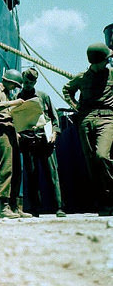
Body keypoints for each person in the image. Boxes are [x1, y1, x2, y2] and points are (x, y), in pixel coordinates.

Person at [62, 42, 113, 216]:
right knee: (91, 162)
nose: (109, 61)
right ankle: (103, 203)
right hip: (86, 119)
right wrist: (75, 106)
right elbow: (67, 89)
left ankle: (110, 196)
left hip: (108, 118)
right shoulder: (82, 77)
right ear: (98, 61)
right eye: (107, 59)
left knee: (102, 156)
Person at [18, 67, 66, 217]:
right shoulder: (18, 98)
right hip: (28, 142)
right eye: (25, 82)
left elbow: (54, 118)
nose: (27, 85)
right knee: (32, 175)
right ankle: (34, 209)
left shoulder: (44, 96)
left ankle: (59, 207)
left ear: (35, 82)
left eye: (30, 83)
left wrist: (54, 133)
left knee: (52, 175)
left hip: (45, 142)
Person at [0, 69, 32, 218]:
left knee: (16, 169)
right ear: (10, 81)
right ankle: (3, 206)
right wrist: (14, 103)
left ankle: (14, 205)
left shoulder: (8, 93)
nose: (15, 88)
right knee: (5, 168)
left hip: (12, 130)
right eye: (15, 85)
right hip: (1, 130)